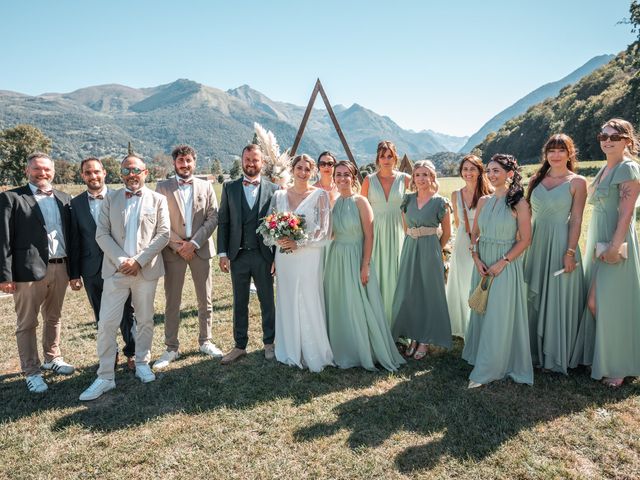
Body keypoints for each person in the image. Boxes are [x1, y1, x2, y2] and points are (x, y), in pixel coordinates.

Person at [79, 154, 170, 401]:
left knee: (144, 319)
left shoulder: (158, 200)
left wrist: (138, 261)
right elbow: (102, 235)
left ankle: (142, 362)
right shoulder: (110, 199)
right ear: (120, 174)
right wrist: (122, 261)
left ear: (145, 172)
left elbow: (163, 234)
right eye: (127, 170)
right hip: (116, 272)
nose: (132, 174)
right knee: (107, 323)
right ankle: (106, 376)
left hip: (145, 270)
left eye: (136, 170)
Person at [570, 118, 640, 387]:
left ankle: (622, 362)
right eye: (603, 136)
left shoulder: (628, 168)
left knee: (603, 303)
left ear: (627, 141)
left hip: (616, 243)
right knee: (600, 302)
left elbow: (625, 213)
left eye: (614, 136)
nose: (607, 140)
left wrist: (614, 246)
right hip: (598, 242)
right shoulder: (603, 169)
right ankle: (608, 354)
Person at [0, 152, 75, 393]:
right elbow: (3, 239)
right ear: (27, 171)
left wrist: (73, 271)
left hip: (61, 266)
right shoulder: (11, 198)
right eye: (37, 169)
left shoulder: (64, 198)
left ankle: (52, 358)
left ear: (53, 171)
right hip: (27, 271)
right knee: (27, 322)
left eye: (47, 169)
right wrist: (5, 276)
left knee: (54, 317)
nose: (42, 173)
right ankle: (31, 371)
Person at [324, 161, 405, 371]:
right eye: (338, 174)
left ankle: (364, 349)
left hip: (356, 256)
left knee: (359, 303)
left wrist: (365, 265)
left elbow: (370, 235)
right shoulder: (333, 203)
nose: (342, 178)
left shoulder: (361, 202)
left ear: (353, 177)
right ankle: (343, 346)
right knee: (340, 301)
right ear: (334, 178)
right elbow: (330, 234)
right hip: (337, 257)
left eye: (346, 175)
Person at [462, 154, 533, 388]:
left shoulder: (519, 203)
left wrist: (503, 262)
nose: (491, 175)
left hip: (505, 265)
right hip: (482, 263)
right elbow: (474, 234)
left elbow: (525, 240)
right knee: (482, 311)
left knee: (499, 315)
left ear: (510, 174)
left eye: (497, 171)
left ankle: (490, 368)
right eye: (489, 171)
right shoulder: (483, 201)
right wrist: (475, 257)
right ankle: (480, 357)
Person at [154, 145, 222, 370]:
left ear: (195, 162)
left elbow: (213, 216)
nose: (185, 165)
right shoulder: (161, 187)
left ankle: (206, 341)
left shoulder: (206, 185)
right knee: (172, 301)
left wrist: (194, 243)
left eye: (188, 161)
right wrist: (177, 244)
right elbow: (158, 219)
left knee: (206, 299)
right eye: (181, 161)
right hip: (173, 252)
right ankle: (171, 347)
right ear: (175, 163)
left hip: (200, 249)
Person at [524, 135, 586, 374]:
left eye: (561, 150)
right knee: (534, 296)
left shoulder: (577, 182)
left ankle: (555, 355)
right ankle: (533, 352)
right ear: (546, 154)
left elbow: (577, 219)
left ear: (570, 153)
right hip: (536, 243)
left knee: (558, 296)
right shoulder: (535, 180)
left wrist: (570, 252)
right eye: (552, 150)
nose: (556, 155)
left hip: (562, 243)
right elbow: (526, 215)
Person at [267, 154, 333, 372]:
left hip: (308, 255)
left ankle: (311, 349)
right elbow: (269, 226)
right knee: (286, 296)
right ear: (292, 169)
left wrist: (299, 244)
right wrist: (279, 239)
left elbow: (324, 231)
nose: (303, 172)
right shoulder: (279, 195)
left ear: (312, 172)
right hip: (284, 255)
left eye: (307, 169)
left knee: (308, 295)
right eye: (299, 168)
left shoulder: (320, 196)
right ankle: (290, 347)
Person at [69, 157, 136, 371]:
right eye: (88, 173)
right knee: (101, 315)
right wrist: (74, 273)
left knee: (127, 312)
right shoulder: (75, 203)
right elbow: (74, 240)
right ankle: (110, 354)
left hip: (120, 265)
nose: (93, 176)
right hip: (91, 269)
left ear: (104, 173)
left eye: (96, 172)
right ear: (82, 176)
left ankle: (132, 352)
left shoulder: (121, 196)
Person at [217, 144, 279, 364]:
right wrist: (223, 253)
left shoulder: (274, 189)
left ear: (262, 162)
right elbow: (223, 222)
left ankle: (270, 343)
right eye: (247, 159)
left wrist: (277, 258)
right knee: (239, 301)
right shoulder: (229, 188)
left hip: (264, 256)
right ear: (242, 160)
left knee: (267, 301)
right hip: (238, 255)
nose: (251, 163)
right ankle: (239, 345)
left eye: (255, 160)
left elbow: (278, 226)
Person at [391, 161, 453, 359]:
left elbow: (447, 233)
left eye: (426, 174)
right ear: (413, 178)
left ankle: (425, 340)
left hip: (430, 250)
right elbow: (405, 227)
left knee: (429, 294)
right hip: (410, 248)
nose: (421, 178)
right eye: (418, 174)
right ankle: (414, 336)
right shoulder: (407, 200)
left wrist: (434, 249)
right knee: (410, 293)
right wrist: (414, 240)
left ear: (432, 177)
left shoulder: (440, 202)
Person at [360, 141, 410, 325]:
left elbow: (418, 203)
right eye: (383, 156)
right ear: (377, 158)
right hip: (376, 235)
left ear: (395, 157)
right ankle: (378, 323)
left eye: (390, 156)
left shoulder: (405, 179)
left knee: (398, 277)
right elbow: (361, 210)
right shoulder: (368, 180)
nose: (386, 160)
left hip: (399, 233)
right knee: (377, 276)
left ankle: (398, 324)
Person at [446, 155, 492, 339]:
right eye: (465, 169)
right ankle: (464, 325)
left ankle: (481, 322)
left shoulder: (489, 193)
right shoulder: (456, 195)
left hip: (485, 241)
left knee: (479, 282)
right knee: (462, 282)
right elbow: (458, 222)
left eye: (472, 169)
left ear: (480, 171)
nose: (468, 173)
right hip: (464, 243)